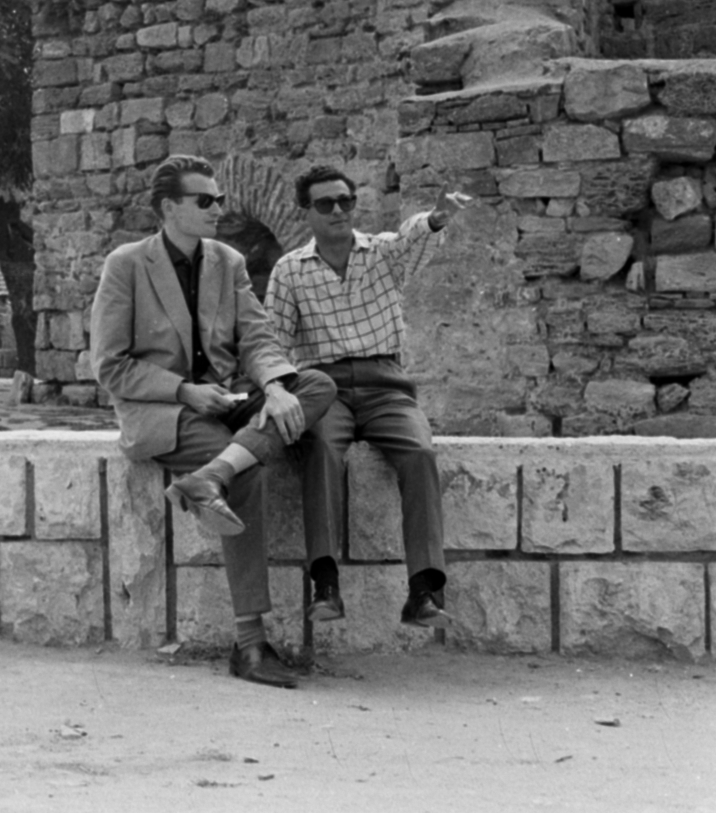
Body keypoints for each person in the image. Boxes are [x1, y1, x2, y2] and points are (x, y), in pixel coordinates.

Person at [91, 155, 337, 689]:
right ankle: (250, 644)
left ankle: (212, 477)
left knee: (316, 387)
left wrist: (273, 387)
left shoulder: (228, 261)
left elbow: (257, 337)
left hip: (230, 398)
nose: (218, 208)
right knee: (252, 473)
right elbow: (110, 366)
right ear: (168, 209)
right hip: (165, 410)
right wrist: (184, 390)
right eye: (205, 200)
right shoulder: (127, 265)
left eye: (220, 198)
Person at [264, 165, 471, 632]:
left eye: (345, 201)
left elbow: (413, 237)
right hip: (324, 385)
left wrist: (437, 216)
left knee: (419, 452)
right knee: (318, 450)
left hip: (386, 385)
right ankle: (325, 584)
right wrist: (275, 387)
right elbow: (273, 339)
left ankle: (423, 593)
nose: (338, 210)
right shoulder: (289, 271)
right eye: (325, 203)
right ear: (306, 212)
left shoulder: (380, 254)